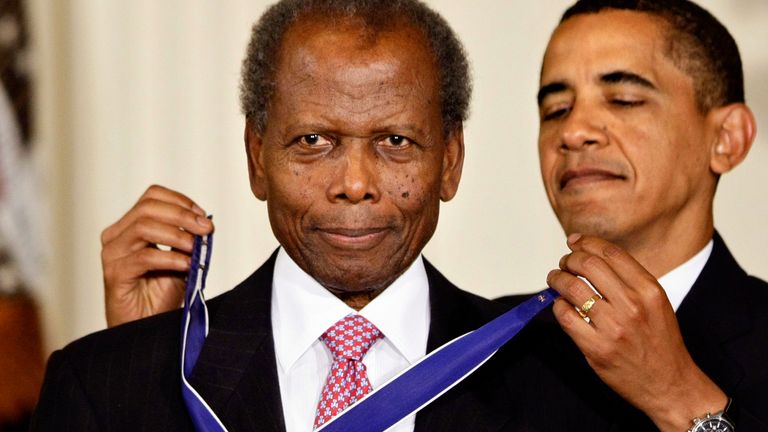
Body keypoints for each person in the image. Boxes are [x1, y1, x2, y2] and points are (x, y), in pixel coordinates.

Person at [31, 1, 600, 430]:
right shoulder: (103, 382)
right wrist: (149, 374)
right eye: (313, 140)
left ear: (450, 162)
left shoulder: (556, 376)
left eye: (396, 141)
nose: (354, 184)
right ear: (257, 157)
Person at [499, 0, 767, 430]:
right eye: (556, 110)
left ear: (727, 139)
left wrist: (677, 394)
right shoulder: (485, 349)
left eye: (623, 99)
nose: (573, 132)